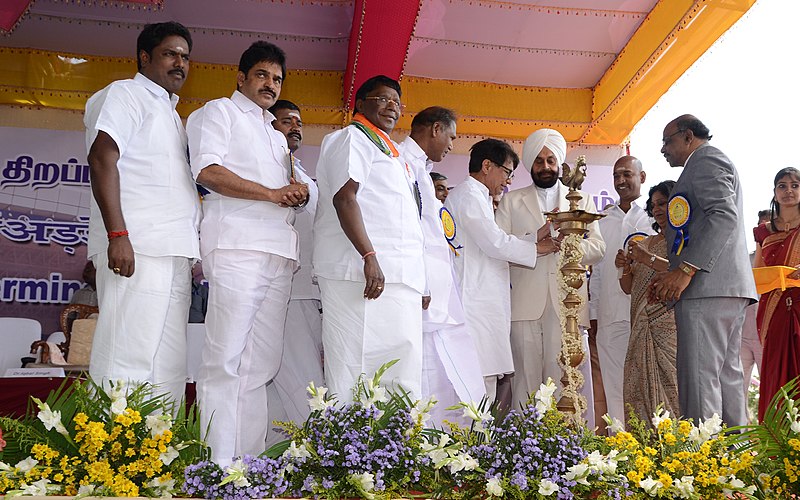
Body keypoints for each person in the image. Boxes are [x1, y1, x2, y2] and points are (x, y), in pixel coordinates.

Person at [187, 41, 309, 464]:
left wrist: (295, 193)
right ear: (241, 78)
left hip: (278, 254)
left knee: (260, 367)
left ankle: (249, 468)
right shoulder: (218, 111)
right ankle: (216, 467)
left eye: (277, 79)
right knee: (225, 359)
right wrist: (274, 194)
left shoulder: (275, 135)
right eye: (261, 75)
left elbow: (281, 194)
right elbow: (207, 170)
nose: (270, 85)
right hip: (237, 246)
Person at [84, 21, 200, 405]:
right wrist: (118, 236)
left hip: (173, 253)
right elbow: (102, 158)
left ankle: (157, 459)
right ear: (145, 57)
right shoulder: (125, 93)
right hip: (136, 247)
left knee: (168, 368)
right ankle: (108, 459)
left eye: (185, 56)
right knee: (125, 359)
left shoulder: (170, 112)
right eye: (170, 54)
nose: (180, 63)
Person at [312, 75, 425, 401]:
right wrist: (369, 256)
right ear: (360, 104)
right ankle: (348, 449)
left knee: (401, 368)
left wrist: (421, 282)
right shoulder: (350, 138)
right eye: (382, 98)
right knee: (353, 368)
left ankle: (397, 449)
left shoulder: (394, 153)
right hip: (359, 272)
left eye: (396, 101)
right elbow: (345, 198)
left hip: (400, 278)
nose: (392, 106)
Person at [652, 114, 756, 427]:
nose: (663, 150)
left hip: (706, 288)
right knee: (727, 379)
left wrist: (685, 269)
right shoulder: (707, 163)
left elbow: (724, 216)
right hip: (724, 288)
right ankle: (735, 464)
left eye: (667, 141)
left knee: (699, 381)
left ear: (687, 137)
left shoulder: (705, 162)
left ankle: (702, 466)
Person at [496, 129, 604, 412]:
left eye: (550, 160)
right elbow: (499, 250)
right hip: (524, 306)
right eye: (539, 161)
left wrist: (568, 247)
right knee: (525, 385)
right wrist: (536, 239)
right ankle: (525, 450)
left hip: (567, 305)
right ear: (530, 164)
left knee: (566, 381)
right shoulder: (511, 200)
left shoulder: (580, 200)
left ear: (559, 164)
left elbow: (598, 248)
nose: (545, 166)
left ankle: (568, 448)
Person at [398, 106, 485, 424]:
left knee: (444, 369)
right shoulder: (401, 164)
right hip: (420, 290)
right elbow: (408, 231)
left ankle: (446, 441)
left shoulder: (421, 167)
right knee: (423, 370)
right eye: (450, 136)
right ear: (435, 129)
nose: (451, 145)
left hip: (438, 291)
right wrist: (421, 283)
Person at [444, 138, 538, 403]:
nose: (508, 181)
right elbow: (495, 243)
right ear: (487, 165)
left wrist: (533, 239)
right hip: (474, 302)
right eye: (507, 172)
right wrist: (536, 247)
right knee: (478, 387)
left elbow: (493, 239)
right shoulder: (468, 196)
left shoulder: (477, 196)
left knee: (484, 385)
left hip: (482, 300)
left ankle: (479, 442)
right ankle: (475, 443)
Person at [265, 99, 324, 445]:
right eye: (286, 121)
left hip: (309, 290)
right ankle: (318, 457)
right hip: (286, 289)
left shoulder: (300, 169)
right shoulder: (267, 167)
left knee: (287, 381)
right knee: (305, 381)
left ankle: (277, 460)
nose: (295, 127)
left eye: (298, 122)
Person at [588, 156, 653, 427]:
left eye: (627, 174)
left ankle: (650, 448)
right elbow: (598, 273)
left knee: (647, 385)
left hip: (647, 316)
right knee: (614, 386)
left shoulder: (653, 217)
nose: (621, 181)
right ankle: (620, 448)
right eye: (616, 176)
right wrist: (593, 314)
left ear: (642, 177)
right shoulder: (602, 221)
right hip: (610, 316)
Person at [616, 180, 679, 426]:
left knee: (671, 384)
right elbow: (627, 288)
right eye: (653, 206)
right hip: (640, 324)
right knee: (638, 383)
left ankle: (679, 446)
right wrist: (626, 268)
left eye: (663, 203)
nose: (658, 210)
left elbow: (681, 272)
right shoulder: (644, 243)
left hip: (668, 326)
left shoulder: (683, 242)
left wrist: (647, 259)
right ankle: (642, 446)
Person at [753, 168, 800, 421]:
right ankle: (777, 447)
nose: (789, 191)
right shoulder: (763, 232)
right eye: (782, 186)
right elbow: (758, 272)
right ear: (774, 192)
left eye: (794, 185)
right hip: (774, 309)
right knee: (775, 374)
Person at [741, 209, 768, 411]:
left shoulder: (781, 260)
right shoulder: (744, 260)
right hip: (742, 335)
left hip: (767, 337)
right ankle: (739, 438)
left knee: (770, 390)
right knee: (736, 389)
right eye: (760, 226)